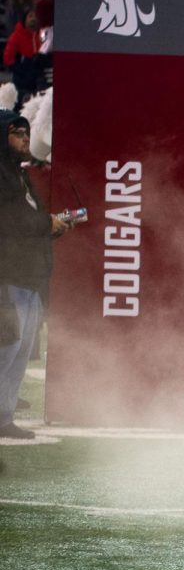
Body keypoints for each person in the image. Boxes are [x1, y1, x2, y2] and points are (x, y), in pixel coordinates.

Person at [0, 112, 74, 439]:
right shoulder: (2, 177)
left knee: (21, 352)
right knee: (7, 348)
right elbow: (12, 222)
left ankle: (4, 417)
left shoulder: (19, 176)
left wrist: (53, 225)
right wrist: (47, 224)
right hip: (8, 276)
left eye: (26, 133)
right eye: (17, 134)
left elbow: (29, 220)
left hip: (29, 276)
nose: (25, 140)